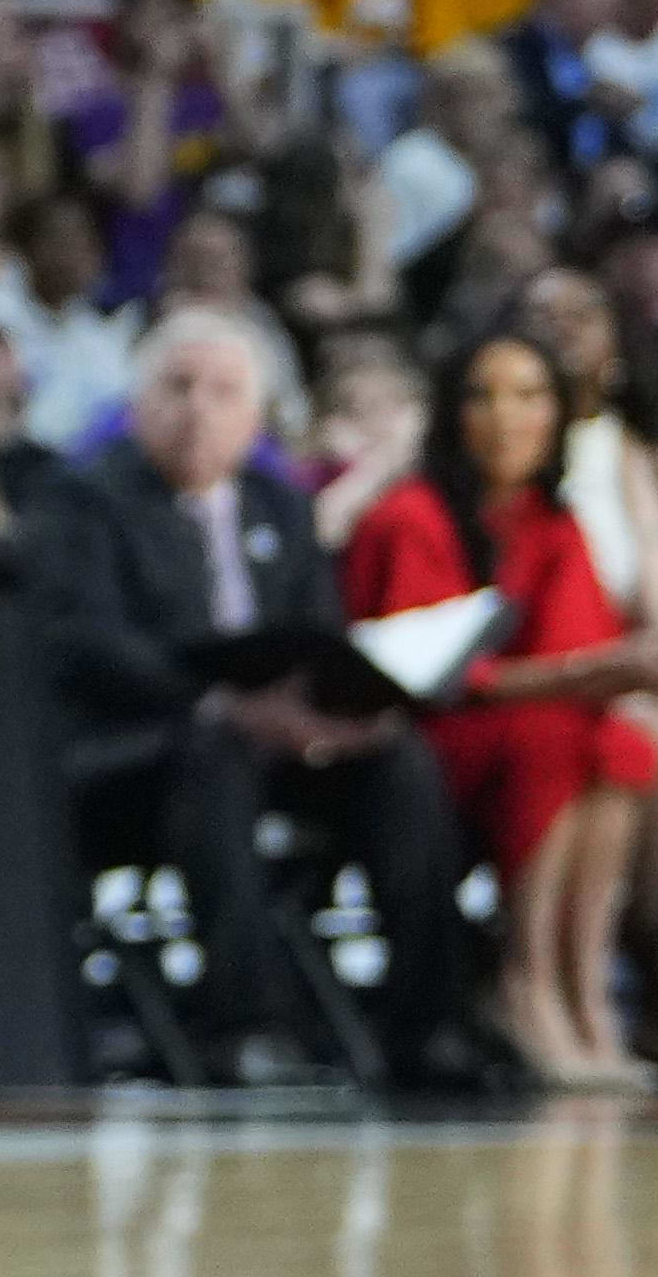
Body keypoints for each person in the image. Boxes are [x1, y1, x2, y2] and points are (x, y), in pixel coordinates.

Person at [29, 312, 471, 1081]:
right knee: (218, 749)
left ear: (256, 416)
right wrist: (221, 707)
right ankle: (243, 1026)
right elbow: (84, 642)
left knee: (399, 760)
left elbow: (318, 630)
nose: (198, 408)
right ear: (137, 405)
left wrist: (338, 710)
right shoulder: (83, 498)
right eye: (177, 387)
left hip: (280, 741)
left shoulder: (280, 504)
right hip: (132, 756)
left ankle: (425, 1028)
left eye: (223, 391)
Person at [343, 330, 658, 1087]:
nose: (506, 416)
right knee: (558, 740)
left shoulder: (553, 521)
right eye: (484, 395)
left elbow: (578, 662)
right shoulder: (410, 516)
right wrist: (596, 670)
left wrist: (622, 669)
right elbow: (424, 677)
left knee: (622, 744)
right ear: (451, 414)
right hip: (418, 742)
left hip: (528, 720)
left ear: (558, 414)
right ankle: (524, 981)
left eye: (529, 395)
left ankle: (583, 990)